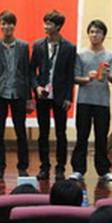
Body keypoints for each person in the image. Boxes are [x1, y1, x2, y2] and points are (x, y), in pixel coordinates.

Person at [0, 10, 33, 180]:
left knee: (21, 132)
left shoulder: (23, 47)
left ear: (14, 26)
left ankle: (23, 167)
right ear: (0, 26)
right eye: (3, 23)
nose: (7, 27)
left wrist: (29, 98)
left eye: (10, 23)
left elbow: (27, 73)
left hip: (18, 94)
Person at [70, 20, 112, 182]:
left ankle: (103, 170)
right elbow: (74, 77)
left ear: (104, 35)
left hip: (102, 101)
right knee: (82, 136)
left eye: (98, 32)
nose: (94, 35)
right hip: (84, 100)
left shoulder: (110, 55)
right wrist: (87, 78)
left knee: (101, 137)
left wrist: (107, 74)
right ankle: (78, 169)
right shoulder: (81, 54)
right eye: (91, 32)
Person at [30, 10, 76, 181]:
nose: (46, 26)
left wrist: (69, 97)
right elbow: (31, 70)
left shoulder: (69, 47)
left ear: (58, 26)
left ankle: (60, 167)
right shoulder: (38, 45)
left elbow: (70, 74)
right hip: (42, 96)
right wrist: (36, 87)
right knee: (43, 133)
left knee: (61, 133)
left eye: (49, 23)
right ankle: (44, 167)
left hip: (60, 95)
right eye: (45, 22)